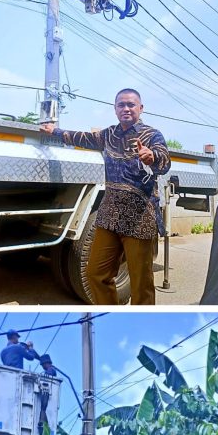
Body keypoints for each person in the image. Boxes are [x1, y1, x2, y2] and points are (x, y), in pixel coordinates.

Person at [41, 89, 170, 305]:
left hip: (139, 216)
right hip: (109, 214)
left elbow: (164, 161)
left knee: (141, 285)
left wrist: (152, 156)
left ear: (140, 108)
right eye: (121, 105)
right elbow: (82, 138)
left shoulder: (151, 135)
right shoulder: (109, 134)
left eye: (131, 104)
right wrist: (55, 130)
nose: (126, 109)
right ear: (115, 108)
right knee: (95, 274)